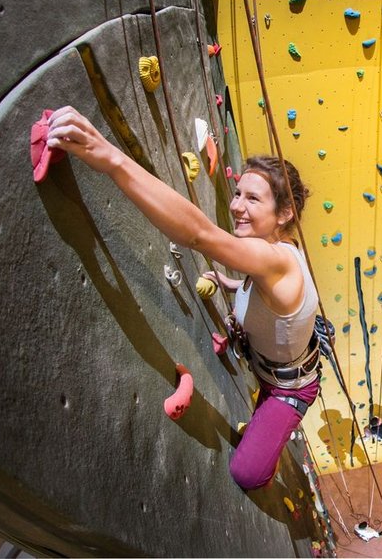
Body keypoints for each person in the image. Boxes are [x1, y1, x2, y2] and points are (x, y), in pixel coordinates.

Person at [46, 107, 320, 491]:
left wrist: (111, 159)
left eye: (253, 200)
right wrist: (231, 283)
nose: (237, 206)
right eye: (237, 193)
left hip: (289, 386)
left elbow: (199, 235)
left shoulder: (275, 260)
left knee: (248, 474)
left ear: (284, 212)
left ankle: (275, 431)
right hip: (274, 363)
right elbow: (268, 287)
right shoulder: (275, 250)